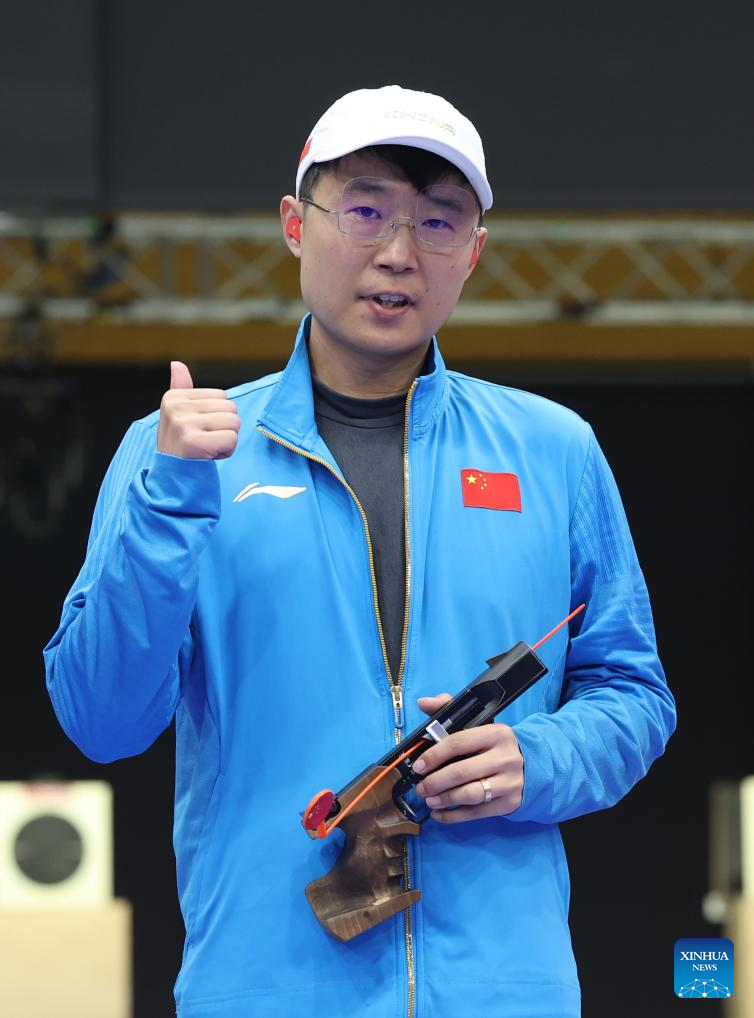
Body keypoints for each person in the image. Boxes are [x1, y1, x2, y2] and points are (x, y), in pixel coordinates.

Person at [44, 85, 676, 1018]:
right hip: (263, 986)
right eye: (367, 210)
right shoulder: (176, 452)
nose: (397, 253)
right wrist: (170, 499)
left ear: (475, 253)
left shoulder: (554, 450)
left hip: (507, 990)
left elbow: (635, 693)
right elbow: (101, 719)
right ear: (297, 226)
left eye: (437, 222)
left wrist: (538, 758)